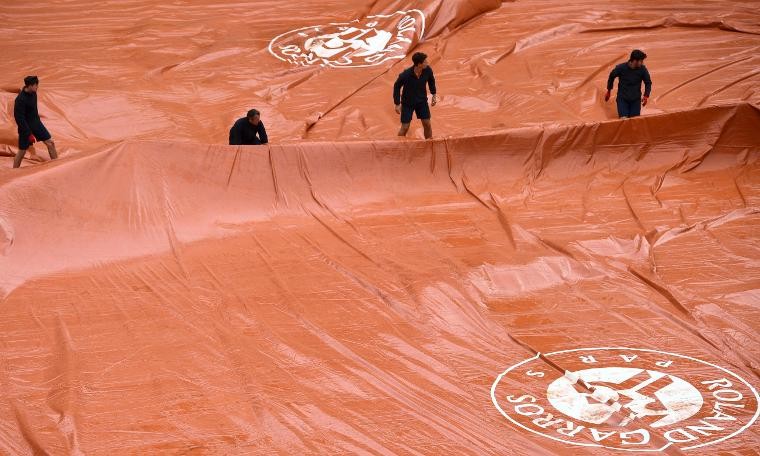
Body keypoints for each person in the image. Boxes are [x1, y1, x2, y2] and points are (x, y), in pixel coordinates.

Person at [13, 76, 58, 168]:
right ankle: (14, 171)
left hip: (36, 123)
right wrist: (28, 133)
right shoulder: (20, 99)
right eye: (35, 85)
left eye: (37, 85)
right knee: (22, 151)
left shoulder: (34, 93)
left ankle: (57, 165)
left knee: (50, 143)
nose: (37, 87)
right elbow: (19, 118)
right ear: (29, 86)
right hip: (25, 127)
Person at [393, 52, 437, 139]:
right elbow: (396, 86)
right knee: (405, 127)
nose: (427, 63)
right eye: (425, 62)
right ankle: (398, 145)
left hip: (422, 102)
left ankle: (430, 145)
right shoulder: (406, 75)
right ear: (419, 64)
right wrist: (397, 103)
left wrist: (434, 94)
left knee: (427, 124)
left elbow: (431, 80)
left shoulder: (427, 70)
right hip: (407, 103)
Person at [605, 49, 652, 118]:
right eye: (641, 61)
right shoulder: (621, 68)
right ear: (635, 61)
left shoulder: (642, 69)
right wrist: (609, 90)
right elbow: (612, 76)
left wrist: (646, 95)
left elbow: (648, 82)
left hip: (635, 100)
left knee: (634, 121)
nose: (642, 63)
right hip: (622, 99)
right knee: (624, 120)